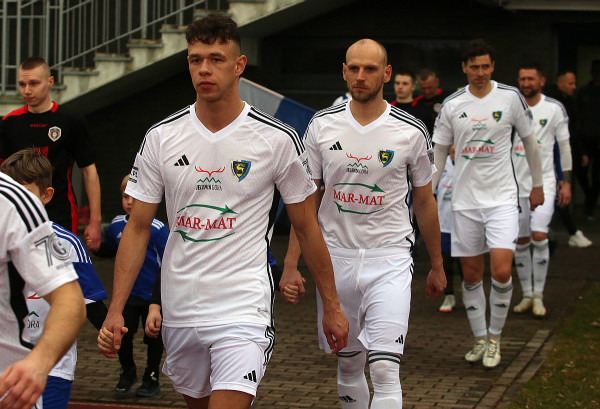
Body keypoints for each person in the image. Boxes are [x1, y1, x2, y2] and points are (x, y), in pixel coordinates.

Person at [98, 14, 348, 409]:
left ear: (239, 65)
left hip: (243, 306)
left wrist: (331, 306)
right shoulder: (161, 137)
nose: (204, 69)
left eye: (216, 59)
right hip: (181, 308)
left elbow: (307, 227)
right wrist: (115, 310)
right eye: (195, 59)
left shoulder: (277, 139)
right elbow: (138, 227)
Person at [282, 38, 446, 409]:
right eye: (353, 68)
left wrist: (436, 264)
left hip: (389, 259)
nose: (360, 76)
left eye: (370, 69)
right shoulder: (321, 125)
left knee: (385, 369)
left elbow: (424, 201)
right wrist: (292, 264)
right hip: (333, 260)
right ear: (344, 71)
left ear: (386, 74)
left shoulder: (411, 130)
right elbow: (306, 201)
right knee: (349, 363)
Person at [432, 38, 544, 368]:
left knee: (502, 271)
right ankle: (480, 338)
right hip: (465, 202)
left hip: (502, 199)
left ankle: (495, 338)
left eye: (485, 66)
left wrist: (537, 185)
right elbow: (439, 152)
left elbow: (531, 143)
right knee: (470, 276)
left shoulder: (510, 98)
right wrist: (429, 193)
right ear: (464, 68)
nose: (480, 72)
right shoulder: (452, 104)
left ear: (493, 66)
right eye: (474, 67)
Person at [0, 149, 107, 409]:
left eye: (25, 194)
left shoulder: (62, 241)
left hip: (46, 365)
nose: (18, 202)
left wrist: (109, 328)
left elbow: (81, 300)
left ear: (46, 195)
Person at [0, 57, 102, 251]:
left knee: (62, 265)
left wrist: (95, 221)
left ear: (50, 81)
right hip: (17, 214)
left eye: (33, 83)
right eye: (22, 84)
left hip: (61, 213)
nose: (27, 90)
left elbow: (89, 171)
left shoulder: (71, 121)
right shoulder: (9, 123)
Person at [94, 174, 167, 397]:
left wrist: (158, 299)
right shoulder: (116, 224)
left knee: (154, 336)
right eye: (125, 196)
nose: (129, 202)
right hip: (128, 295)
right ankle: (128, 371)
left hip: (153, 296)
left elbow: (167, 263)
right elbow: (111, 250)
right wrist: (96, 248)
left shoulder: (157, 228)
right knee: (123, 334)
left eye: (134, 197)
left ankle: (152, 376)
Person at [511, 64, 573, 318]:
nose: (526, 83)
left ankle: (539, 295)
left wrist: (565, 181)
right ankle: (526, 294)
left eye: (531, 79)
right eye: (522, 79)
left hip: (545, 182)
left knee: (539, 235)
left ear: (542, 81)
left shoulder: (554, 108)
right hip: (516, 184)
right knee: (521, 240)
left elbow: (564, 146)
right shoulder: (511, 107)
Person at [545, 71, 592, 248]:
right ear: (560, 83)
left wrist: (580, 152)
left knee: (559, 194)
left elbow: (570, 133)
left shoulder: (567, 102)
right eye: (570, 83)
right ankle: (567, 232)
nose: (574, 87)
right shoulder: (554, 104)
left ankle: (563, 232)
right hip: (548, 155)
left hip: (560, 154)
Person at [436, 145, 462, 313]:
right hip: (444, 222)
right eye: (451, 144)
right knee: (446, 261)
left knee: (464, 261)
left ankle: (469, 294)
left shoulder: (466, 162)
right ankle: (449, 295)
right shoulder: (440, 164)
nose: (453, 148)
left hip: (463, 222)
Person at [576, 60, 600, 220]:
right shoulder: (584, 92)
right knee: (580, 172)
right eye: (595, 71)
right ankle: (589, 197)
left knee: (597, 175)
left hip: (599, 139)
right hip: (584, 138)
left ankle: (589, 207)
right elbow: (577, 114)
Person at [413, 69, 452, 135]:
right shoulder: (416, 102)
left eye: (429, 87)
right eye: (423, 88)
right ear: (419, 85)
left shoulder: (449, 99)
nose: (427, 91)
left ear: (437, 82)